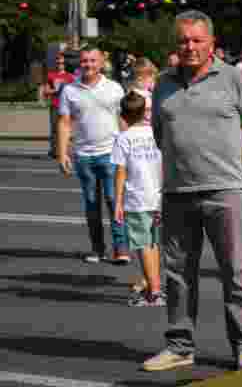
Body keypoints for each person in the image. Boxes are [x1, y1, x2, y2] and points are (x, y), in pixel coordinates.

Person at [143, 10, 242, 372]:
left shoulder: (233, 79)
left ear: (212, 43)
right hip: (178, 191)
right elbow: (159, 134)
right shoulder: (164, 83)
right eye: (184, 40)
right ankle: (180, 346)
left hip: (225, 191)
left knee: (236, 271)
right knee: (178, 274)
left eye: (198, 40)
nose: (190, 47)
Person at [56, 46, 129, 264]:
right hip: (83, 156)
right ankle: (98, 249)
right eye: (84, 61)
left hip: (110, 153)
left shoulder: (114, 88)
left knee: (113, 199)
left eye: (92, 61)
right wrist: (62, 153)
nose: (88, 64)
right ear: (80, 63)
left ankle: (121, 248)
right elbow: (64, 123)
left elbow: (123, 120)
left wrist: (129, 150)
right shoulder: (70, 90)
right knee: (91, 203)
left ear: (101, 62)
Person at [112, 92, 165, 307]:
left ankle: (153, 292)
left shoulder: (123, 138)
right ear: (145, 112)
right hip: (159, 195)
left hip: (137, 197)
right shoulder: (157, 134)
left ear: (122, 115)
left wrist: (117, 201)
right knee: (153, 243)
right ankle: (155, 287)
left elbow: (121, 172)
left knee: (144, 245)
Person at [42, 50, 74, 158]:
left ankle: (65, 150)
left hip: (67, 106)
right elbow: (45, 91)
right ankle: (54, 150)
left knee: (66, 128)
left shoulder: (70, 77)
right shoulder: (51, 75)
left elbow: (74, 92)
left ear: (65, 64)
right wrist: (55, 90)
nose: (60, 65)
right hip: (55, 104)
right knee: (54, 129)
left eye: (62, 63)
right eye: (58, 63)